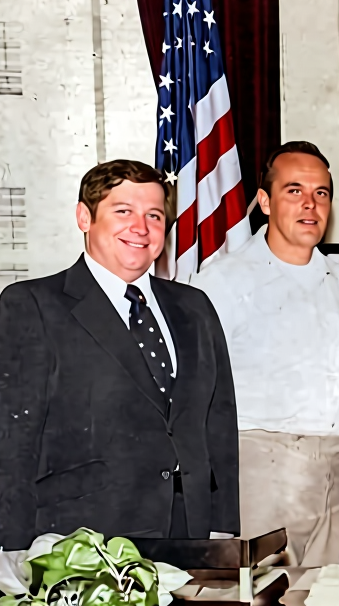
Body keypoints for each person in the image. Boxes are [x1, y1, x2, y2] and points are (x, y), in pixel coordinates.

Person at [0, 160, 238, 547]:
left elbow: (219, 422)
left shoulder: (195, 307)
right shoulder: (32, 305)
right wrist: (12, 549)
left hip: (189, 533)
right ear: (84, 217)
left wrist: (223, 527)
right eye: (123, 211)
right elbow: (13, 442)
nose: (141, 227)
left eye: (154, 215)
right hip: (81, 539)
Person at [194, 142, 339, 565]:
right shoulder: (223, 281)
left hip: (338, 466)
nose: (310, 204)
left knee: (324, 596)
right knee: (265, 594)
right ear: (265, 202)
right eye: (294, 190)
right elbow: (197, 386)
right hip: (263, 463)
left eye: (321, 193)